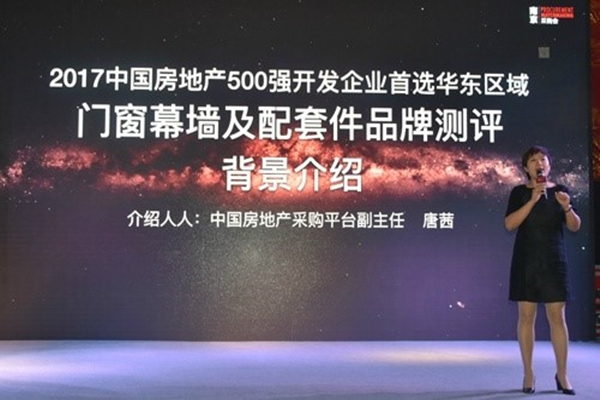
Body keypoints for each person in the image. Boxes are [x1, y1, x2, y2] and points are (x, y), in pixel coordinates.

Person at [504, 145, 581, 395]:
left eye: (543, 159)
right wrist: (533, 200)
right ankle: (528, 373)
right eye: (534, 160)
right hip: (526, 261)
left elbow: (575, 226)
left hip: (553, 260)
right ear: (526, 168)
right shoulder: (519, 192)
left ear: (549, 165)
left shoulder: (561, 192)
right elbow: (510, 224)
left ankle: (562, 374)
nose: (539, 164)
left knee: (557, 317)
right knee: (526, 317)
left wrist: (567, 207)